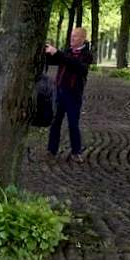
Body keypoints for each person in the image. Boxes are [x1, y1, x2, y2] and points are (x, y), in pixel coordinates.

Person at [44, 27, 93, 163]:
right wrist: (47, 52)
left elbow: (76, 66)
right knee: (55, 122)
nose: (72, 38)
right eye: (71, 36)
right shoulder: (67, 51)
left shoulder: (87, 54)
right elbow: (57, 60)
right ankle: (51, 150)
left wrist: (57, 53)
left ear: (83, 39)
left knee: (73, 124)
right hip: (59, 92)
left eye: (75, 36)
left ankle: (76, 152)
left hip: (73, 95)